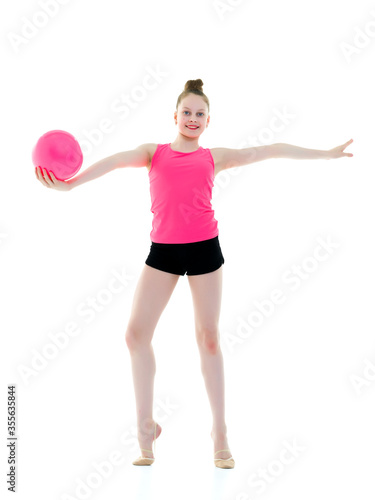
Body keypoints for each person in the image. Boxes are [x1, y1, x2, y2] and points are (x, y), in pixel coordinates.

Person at [35, 79, 354, 469]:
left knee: (208, 338)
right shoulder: (153, 153)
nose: (192, 118)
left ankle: (219, 433)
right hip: (163, 252)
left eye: (199, 114)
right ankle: (146, 428)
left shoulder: (214, 157)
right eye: (186, 112)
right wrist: (71, 185)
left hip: (205, 250)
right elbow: (116, 160)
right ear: (175, 115)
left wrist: (325, 154)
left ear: (207, 121)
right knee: (135, 335)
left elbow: (269, 150)